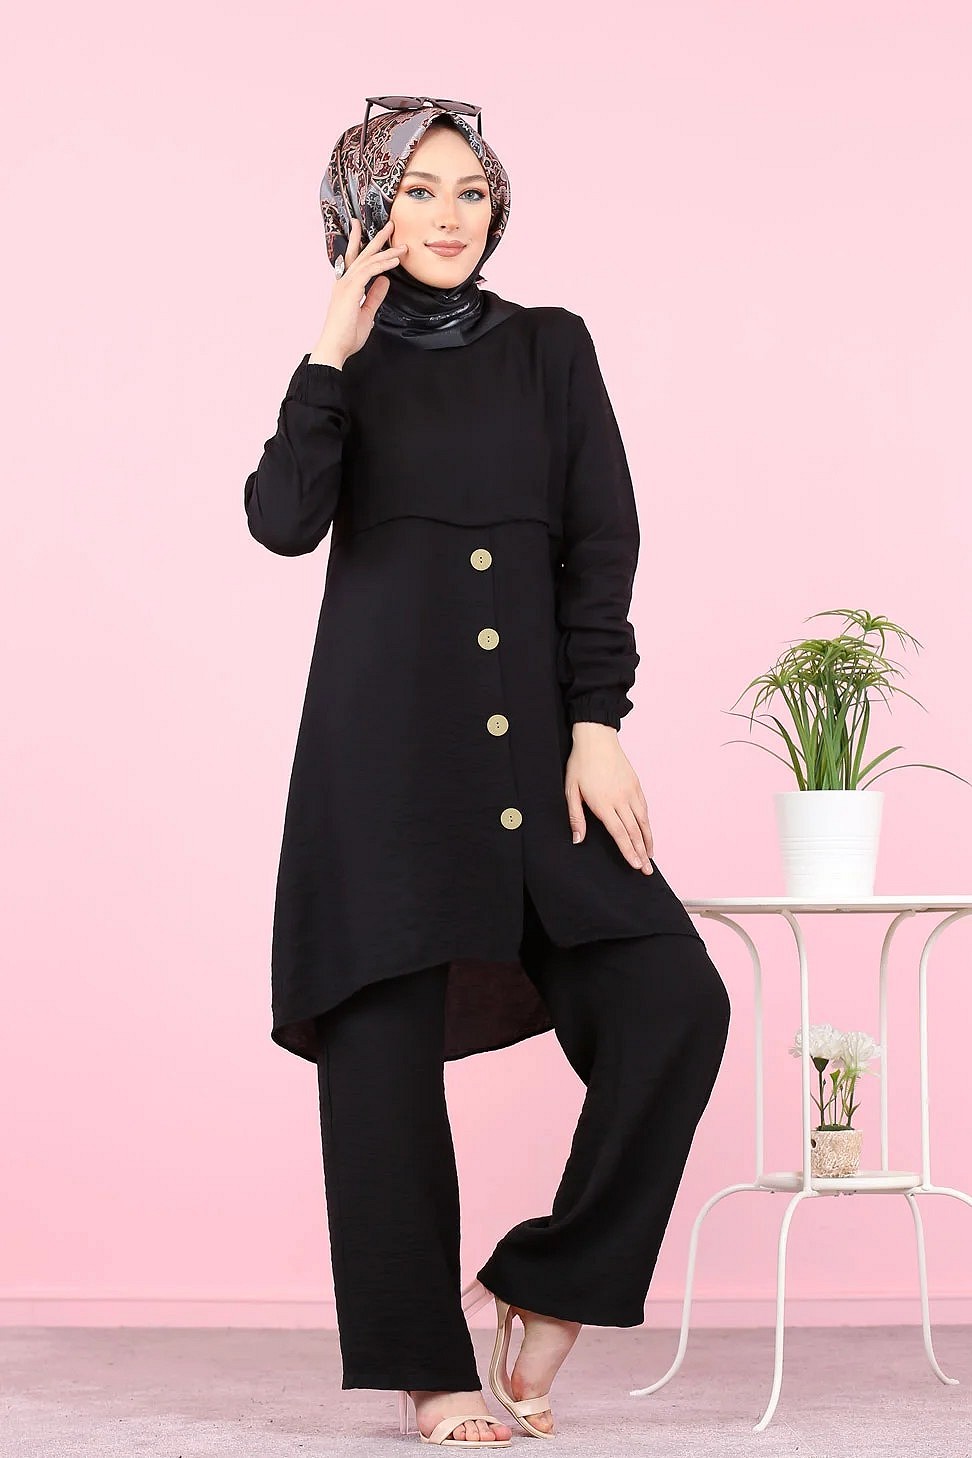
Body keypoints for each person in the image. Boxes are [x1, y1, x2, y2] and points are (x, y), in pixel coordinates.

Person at [243, 96, 732, 1447]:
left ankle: (548, 1284)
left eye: (470, 189)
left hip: (542, 755)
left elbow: (600, 541)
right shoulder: (343, 370)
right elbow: (281, 521)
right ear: (365, 211)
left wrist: (600, 721)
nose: (449, 214)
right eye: (416, 190)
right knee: (383, 1069)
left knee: (673, 1002)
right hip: (384, 771)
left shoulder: (550, 347)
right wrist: (326, 353)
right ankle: (429, 1366)